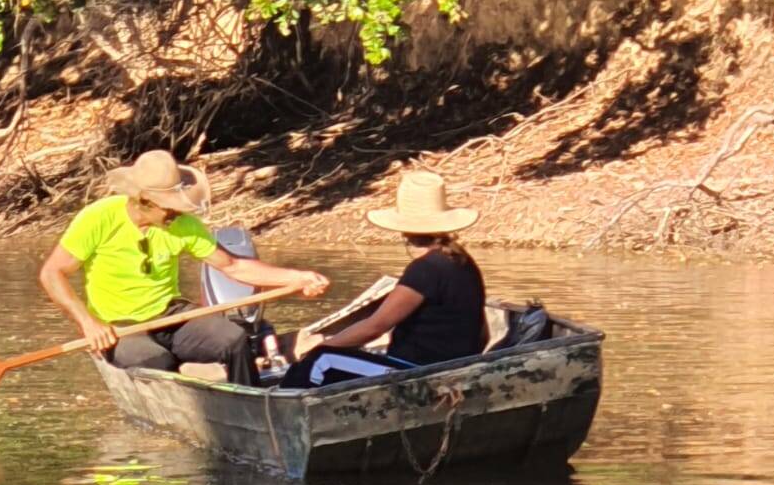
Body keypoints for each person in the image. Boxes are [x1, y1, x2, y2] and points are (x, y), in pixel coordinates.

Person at [39, 150, 329, 386]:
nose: (176, 213)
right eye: (169, 207)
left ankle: (249, 403)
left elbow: (234, 267)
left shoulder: (184, 225)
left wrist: (296, 277)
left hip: (170, 315)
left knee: (234, 339)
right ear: (144, 201)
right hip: (120, 327)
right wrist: (89, 324)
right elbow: (52, 274)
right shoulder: (98, 218)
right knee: (154, 361)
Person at [279, 171, 484, 389]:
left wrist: (322, 346)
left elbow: (374, 327)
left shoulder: (425, 269)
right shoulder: (463, 261)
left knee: (319, 361)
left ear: (405, 231)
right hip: (450, 364)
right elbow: (483, 333)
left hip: (416, 369)